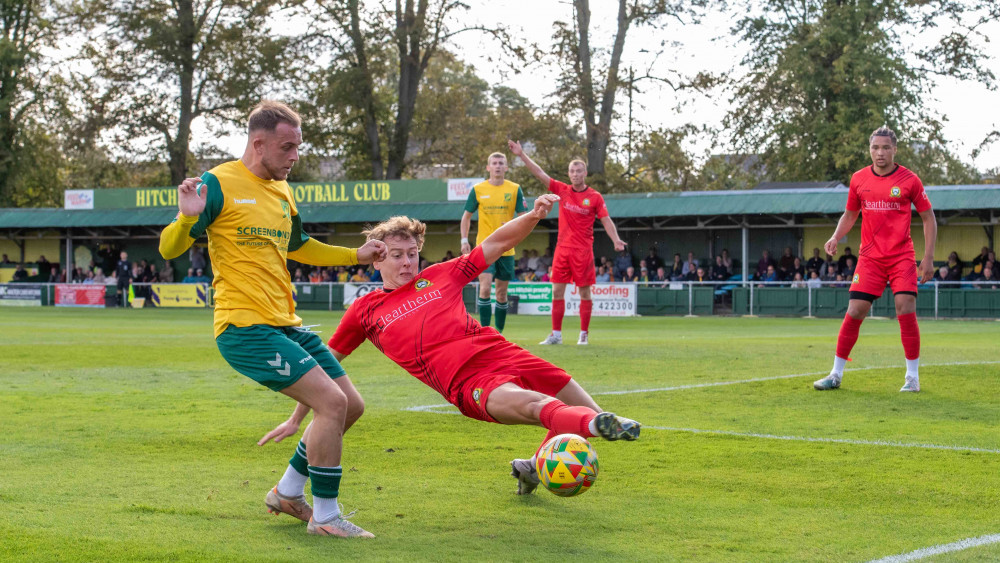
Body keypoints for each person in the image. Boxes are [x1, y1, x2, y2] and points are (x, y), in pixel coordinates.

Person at [263, 197, 640, 499]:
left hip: (501, 351)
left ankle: (534, 464)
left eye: (412, 252)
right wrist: (297, 418)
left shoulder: (442, 274)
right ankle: (594, 423)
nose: (408, 262)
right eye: (397, 255)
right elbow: (324, 366)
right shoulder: (365, 311)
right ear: (377, 258)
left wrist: (533, 215)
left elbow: (495, 243)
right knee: (541, 408)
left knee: (581, 411)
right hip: (467, 381)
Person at [158, 100, 387, 538]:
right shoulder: (218, 183)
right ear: (258, 144)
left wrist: (355, 255)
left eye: (298, 147)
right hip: (245, 328)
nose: (295, 157)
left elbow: (300, 245)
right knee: (331, 403)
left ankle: (287, 492)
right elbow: (169, 249)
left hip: (285, 323)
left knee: (349, 406)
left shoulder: (283, 190)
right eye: (287, 148)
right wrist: (187, 217)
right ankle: (325, 516)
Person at [814, 126, 936, 393]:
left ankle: (912, 378)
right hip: (870, 258)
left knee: (905, 307)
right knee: (855, 310)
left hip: (901, 255)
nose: (880, 153)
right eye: (875, 148)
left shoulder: (910, 179)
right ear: (869, 149)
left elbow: (929, 217)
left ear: (894, 149)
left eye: (885, 148)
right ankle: (835, 374)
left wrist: (927, 258)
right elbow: (849, 214)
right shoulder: (858, 179)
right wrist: (835, 236)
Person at [508, 140, 626, 346]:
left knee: (584, 292)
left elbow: (605, 219)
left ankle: (583, 334)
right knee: (556, 292)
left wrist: (616, 239)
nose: (575, 174)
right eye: (572, 171)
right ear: (569, 174)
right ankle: (556, 334)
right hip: (562, 250)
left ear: (585, 173)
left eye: (579, 170)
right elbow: (540, 173)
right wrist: (521, 155)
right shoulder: (561, 189)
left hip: (583, 252)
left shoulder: (594, 197)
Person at [460, 152, 527, 334]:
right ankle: (484, 332)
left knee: (501, 294)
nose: (498, 166)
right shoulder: (478, 189)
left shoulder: (514, 189)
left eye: (501, 163)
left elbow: (524, 217)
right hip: (484, 247)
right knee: (485, 288)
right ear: (488, 167)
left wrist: (514, 225)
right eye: (494, 163)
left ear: (506, 168)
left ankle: (499, 333)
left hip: (506, 249)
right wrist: (464, 240)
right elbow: (466, 217)